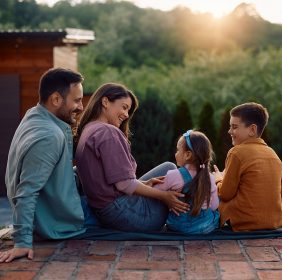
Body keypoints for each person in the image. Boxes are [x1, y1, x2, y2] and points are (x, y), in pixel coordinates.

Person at [75, 83, 189, 232]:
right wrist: (164, 196)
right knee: (176, 174)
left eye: (128, 110)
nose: (127, 115)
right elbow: (124, 185)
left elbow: (114, 183)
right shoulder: (107, 132)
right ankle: (199, 219)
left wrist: (145, 183)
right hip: (124, 214)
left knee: (168, 168)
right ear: (105, 102)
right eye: (124, 107)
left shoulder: (88, 129)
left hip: (105, 210)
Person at [0, 68, 85, 263]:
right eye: (77, 100)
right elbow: (26, 191)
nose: (81, 107)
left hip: (55, 210)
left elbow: (51, 174)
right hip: (57, 221)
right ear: (56, 99)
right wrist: (22, 242)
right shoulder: (49, 136)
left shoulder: (34, 116)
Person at [213, 102, 282, 231]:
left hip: (244, 221)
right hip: (275, 221)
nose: (229, 131)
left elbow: (225, 194)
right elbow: (280, 197)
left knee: (211, 195)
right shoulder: (274, 155)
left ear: (252, 129)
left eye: (234, 127)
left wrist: (218, 179)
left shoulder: (236, 152)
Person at [154, 130, 220, 234]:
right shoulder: (210, 178)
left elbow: (155, 192)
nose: (176, 153)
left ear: (188, 155)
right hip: (205, 227)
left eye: (178, 150)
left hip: (178, 226)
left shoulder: (173, 175)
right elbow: (214, 205)